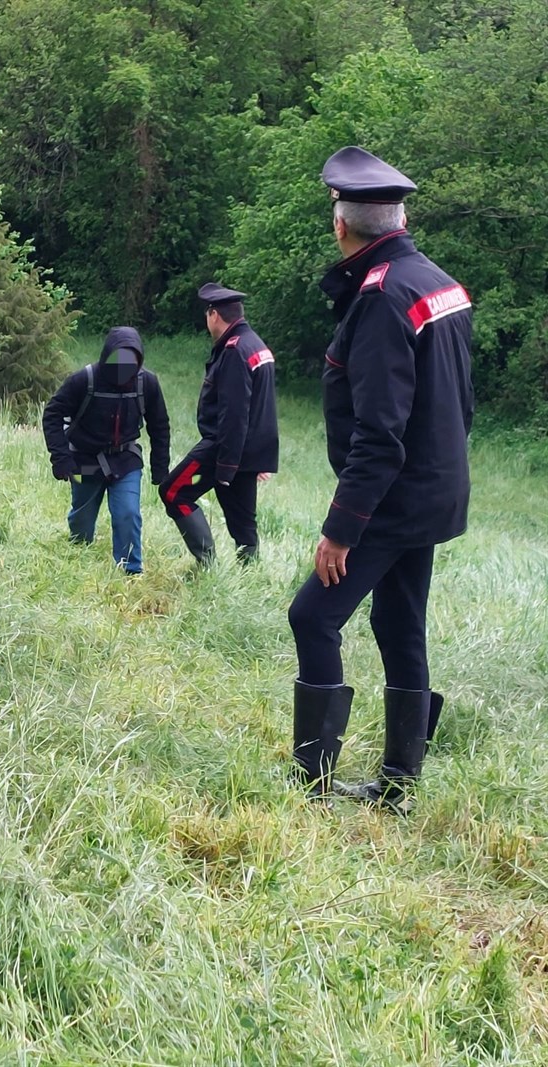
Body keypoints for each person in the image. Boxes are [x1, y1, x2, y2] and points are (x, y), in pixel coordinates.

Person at [286, 146, 474, 812]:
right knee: (401, 627)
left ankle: (311, 780)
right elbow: (460, 399)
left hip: (393, 497)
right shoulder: (437, 282)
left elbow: (379, 433)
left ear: (342, 224)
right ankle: (398, 784)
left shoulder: (382, 298)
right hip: (434, 489)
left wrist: (342, 529)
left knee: (312, 615)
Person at [159, 283, 278, 566]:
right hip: (248, 451)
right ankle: (248, 581)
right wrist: (258, 457)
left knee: (173, 491)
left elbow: (234, 414)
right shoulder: (256, 345)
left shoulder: (235, 351)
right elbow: (264, 408)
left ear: (214, 314)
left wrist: (226, 467)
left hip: (224, 448)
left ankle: (207, 564)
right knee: (243, 524)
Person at [42, 326, 170, 576]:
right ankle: (78, 553)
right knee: (82, 519)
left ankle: (130, 571)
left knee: (128, 513)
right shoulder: (83, 380)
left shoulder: (148, 383)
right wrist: (61, 459)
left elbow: (160, 425)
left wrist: (160, 468)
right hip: (84, 460)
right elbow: (52, 414)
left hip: (126, 460)